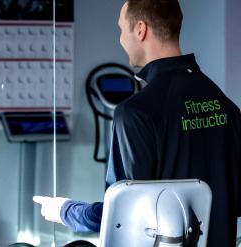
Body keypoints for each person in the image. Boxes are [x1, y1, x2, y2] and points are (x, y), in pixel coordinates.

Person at [33, 0, 241, 245]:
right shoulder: (225, 106)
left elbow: (123, 216)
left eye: (122, 29)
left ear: (140, 30)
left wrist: (65, 211)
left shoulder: (134, 113)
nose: (121, 39)